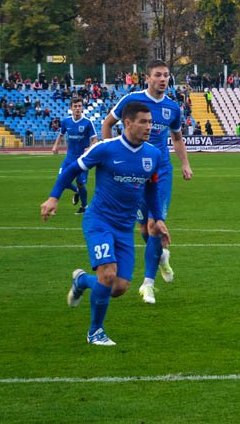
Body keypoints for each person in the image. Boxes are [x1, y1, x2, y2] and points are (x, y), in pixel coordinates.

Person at [40, 101, 169, 346]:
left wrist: (158, 218)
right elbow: (71, 169)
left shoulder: (153, 154)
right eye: (143, 122)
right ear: (127, 123)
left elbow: (151, 189)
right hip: (99, 220)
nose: (149, 127)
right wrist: (53, 197)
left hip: (125, 227)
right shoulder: (105, 148)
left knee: (118, 287)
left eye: (150, 122)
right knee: (108, 274)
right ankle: (95, 331)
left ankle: (81, 281)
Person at [101, 60, 192, 305]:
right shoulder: (131, 101)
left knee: (154, 225)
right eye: (158, 75)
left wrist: (185, 163)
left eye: (166, 75)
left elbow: (177, 138)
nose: (163, 79)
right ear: (147, 78)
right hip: (133, 174)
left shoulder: (173, 107)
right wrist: (110, 156)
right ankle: (161, 256)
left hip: (160, 173)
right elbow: (107, 124)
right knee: (143, 228)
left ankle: (147, 284)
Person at [52, 97, 99, 213]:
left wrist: (90, 147)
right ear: (71, 108)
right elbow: (61, 134)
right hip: (69, 158)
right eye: (75, 106)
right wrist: (55, 146)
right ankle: (76, 191)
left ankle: (84, 206)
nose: (78, 108)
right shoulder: (66, 121)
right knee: (61, 179)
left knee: (80, 183)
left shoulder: (87, 122)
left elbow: (95, 140)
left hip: (82, 159)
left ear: (82, 108)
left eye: (79, 106)